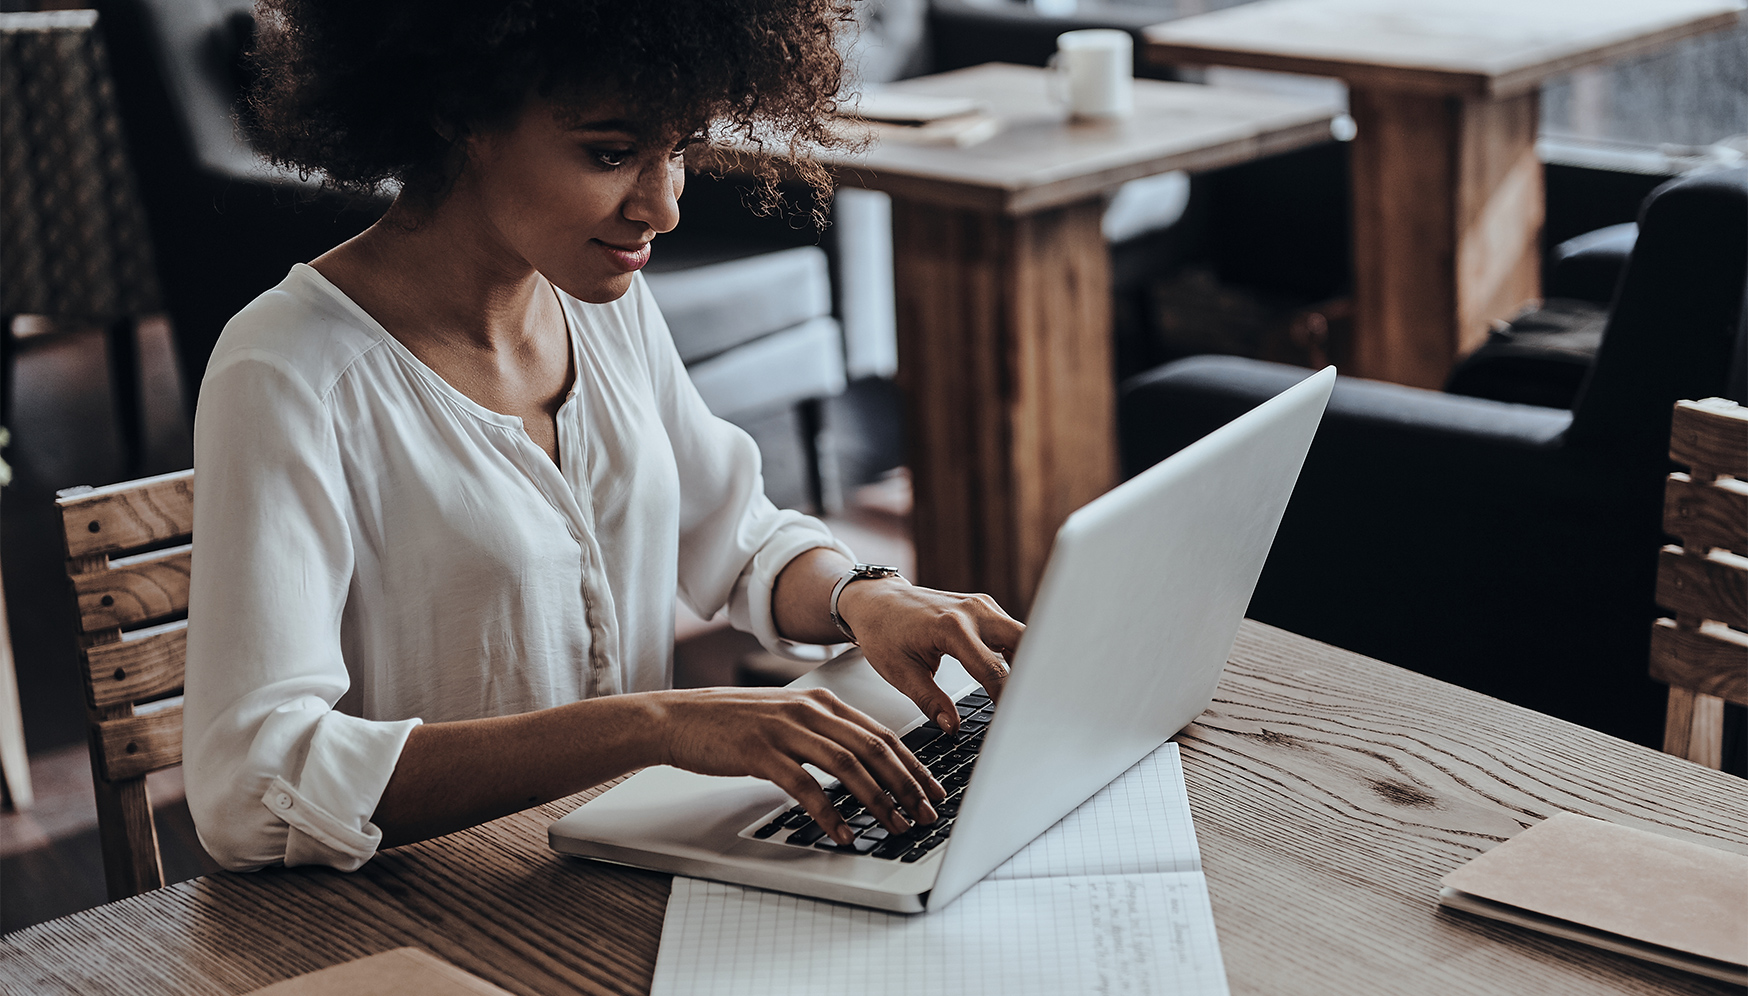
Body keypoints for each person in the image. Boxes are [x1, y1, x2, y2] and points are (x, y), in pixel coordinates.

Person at [183, 0, 1024, 873]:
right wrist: (653, 725)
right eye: (611, 154)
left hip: (623, 863)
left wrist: (864, 595)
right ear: (458, 111)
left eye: (681, 151)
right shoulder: (287, 371)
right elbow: (249, 786)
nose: (662, 210)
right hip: (431, 911)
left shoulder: (598, 303)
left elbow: (734, 539)